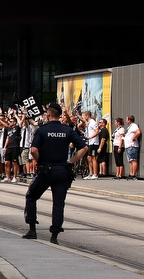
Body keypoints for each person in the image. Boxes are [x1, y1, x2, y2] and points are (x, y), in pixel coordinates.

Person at [23, 102, 87, 245]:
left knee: (31, 196)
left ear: (49, 114)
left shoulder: (42, 130)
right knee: (58, 203)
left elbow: (33, 150)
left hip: (46, 169)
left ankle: (32, 229)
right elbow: (84, 148)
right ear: (59, 115)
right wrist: (71, 161)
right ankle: (55, 236)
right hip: (62, 170)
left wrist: (40, 160)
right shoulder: (67, 130)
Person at [123, 115, 140, 180]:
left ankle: (134, 175)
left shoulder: (134, 125)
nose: (126, 121)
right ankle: (131, 173)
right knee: (130, 161)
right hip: (128, 145)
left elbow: (138, 132)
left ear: (129, 120)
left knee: (133, 160)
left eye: (127, 119)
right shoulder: (129, 127)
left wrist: (133, 138)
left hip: (132, 145)